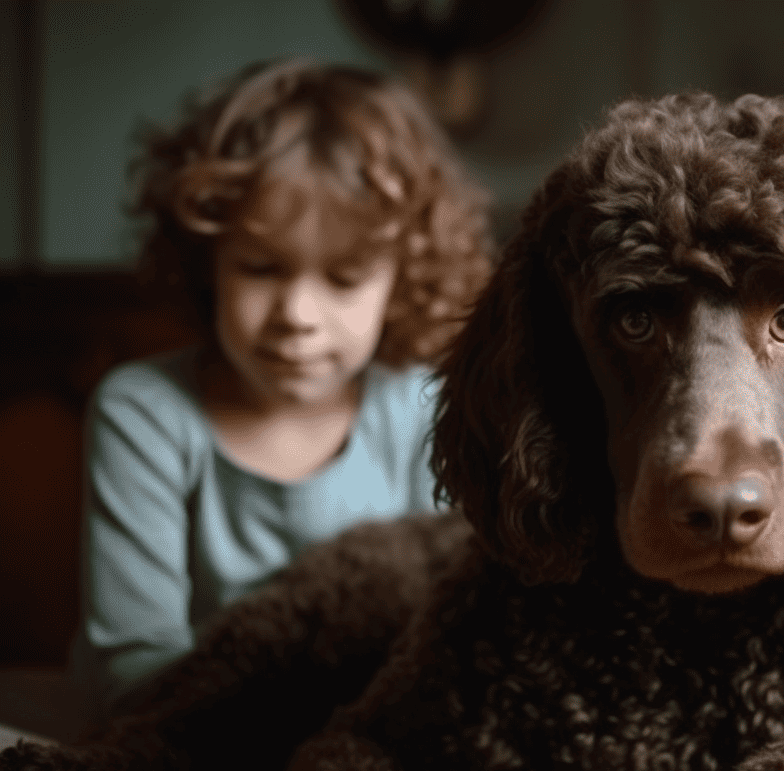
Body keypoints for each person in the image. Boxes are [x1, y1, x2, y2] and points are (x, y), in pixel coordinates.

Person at [70, 58, 494, 714]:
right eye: (261, 267)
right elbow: (127, 664)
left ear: (403, 275)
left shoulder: (419, 409)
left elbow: (444, 637)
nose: (297, 314)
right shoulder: (144, 413)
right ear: (206, 258)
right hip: (181, 730)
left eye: (346, 278)